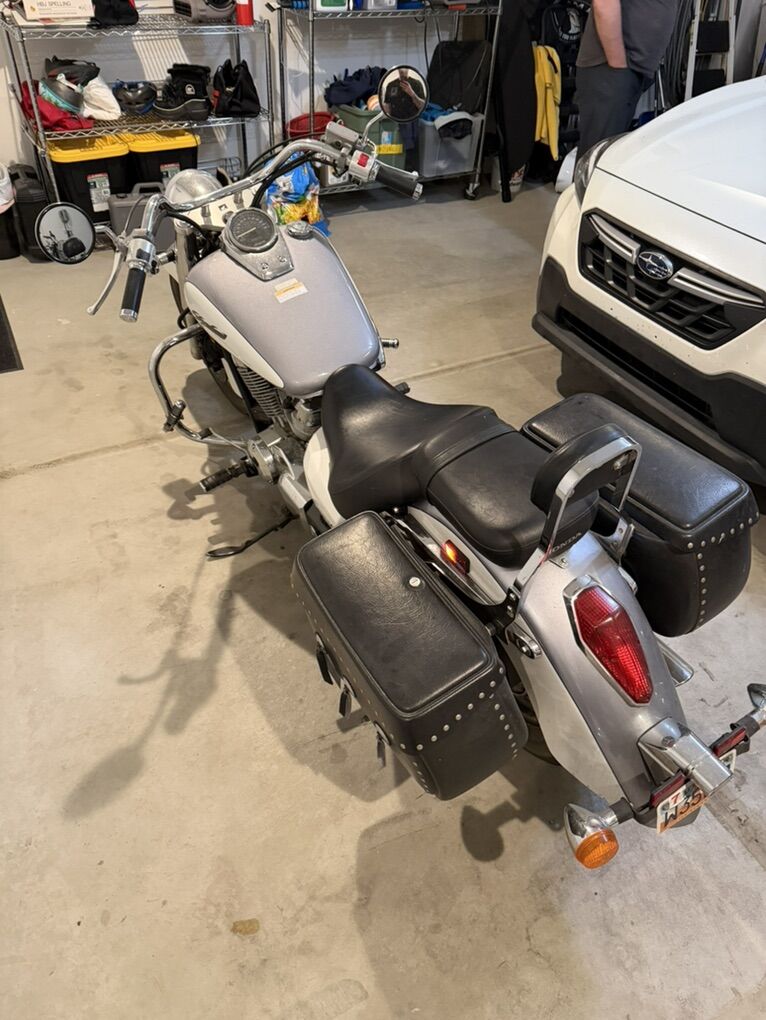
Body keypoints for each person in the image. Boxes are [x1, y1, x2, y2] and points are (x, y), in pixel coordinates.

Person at [576, 0, 679, 153]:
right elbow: (604, 4)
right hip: (610, 68)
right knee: (600, 156)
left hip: (627, 70)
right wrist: (618, 63)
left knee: (611, 155)